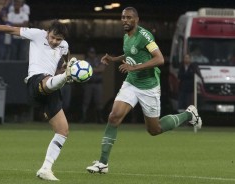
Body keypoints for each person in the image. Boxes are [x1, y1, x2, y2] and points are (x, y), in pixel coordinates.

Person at [86, 7, 202, 174]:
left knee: (154, 130)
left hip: (148, 86)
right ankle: (103, 163)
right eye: (123, 17)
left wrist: (135, 68)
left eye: (129, 17)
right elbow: (130, 54)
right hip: (131, 84)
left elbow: (160, 58)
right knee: (114, 117)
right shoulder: (127, 36)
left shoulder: (145, 36)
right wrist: (114, 59)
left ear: (137, 20)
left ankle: (189, 114)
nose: (125, 20)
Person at [0, 20, 77, 181]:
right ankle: (66, 77)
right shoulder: (37, 34)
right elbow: (11, 29)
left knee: (63, 131)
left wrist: (65, 65)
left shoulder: (64, 45)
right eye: (52, 37)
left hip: (51, 87)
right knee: (48, 79)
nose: (54, 42)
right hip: (36, 81)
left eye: (58, 39)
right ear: (47, 32)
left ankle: (46, 168)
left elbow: (66, 55)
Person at [81, 47, 105, 123]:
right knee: (86, 101)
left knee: (99, 101)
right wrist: (95, 69)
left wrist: (91, 69)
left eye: (93, 52)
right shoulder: (85, 61)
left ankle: (100, 118)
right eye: (91, 52)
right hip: (89, 83)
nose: (92, 54)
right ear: (88, 53)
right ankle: (84, 118)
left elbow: (101, 69)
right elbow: (83, 70)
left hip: (97, 83)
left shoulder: (98, 60)